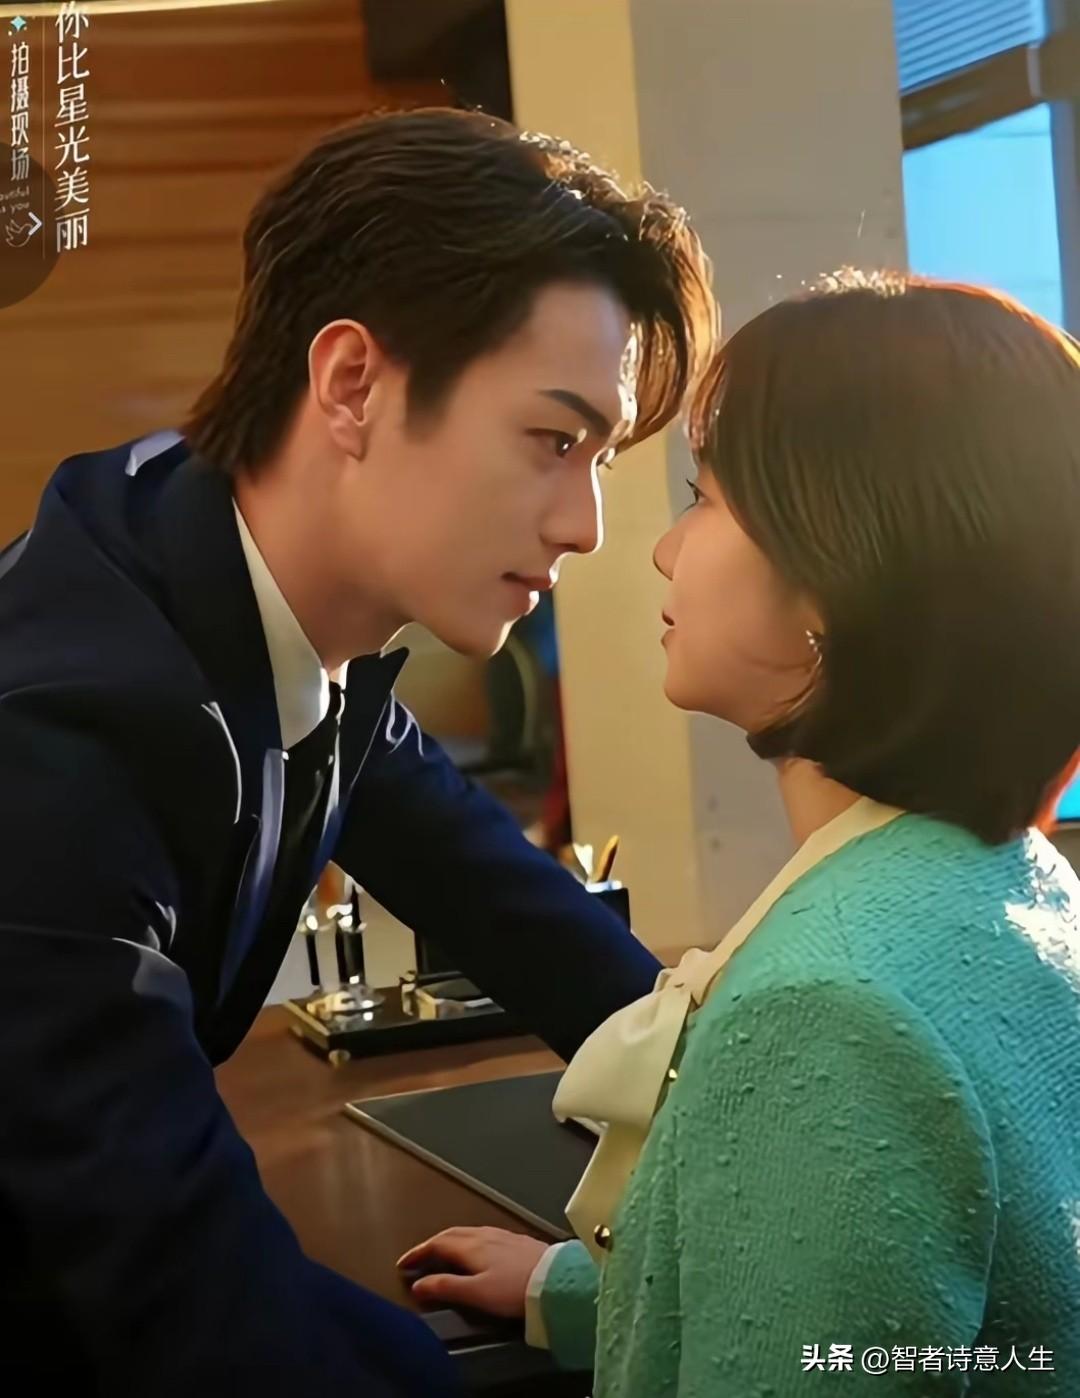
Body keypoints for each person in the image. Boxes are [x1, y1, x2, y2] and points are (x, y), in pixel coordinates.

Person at [0, 108, 714, 1395]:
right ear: (350, 385)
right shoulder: (56, 739)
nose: (589, 525)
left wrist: (736, 1096)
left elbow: (496, 893)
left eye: (602, 458)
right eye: (554, 441)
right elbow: (180, 1282)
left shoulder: (251, 584)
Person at [400, 273, 1080, 1396]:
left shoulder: (827, 1015)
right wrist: (598, 1290)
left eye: (705, 498)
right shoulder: (1012, 880)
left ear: (836, 576)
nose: (664, 551)